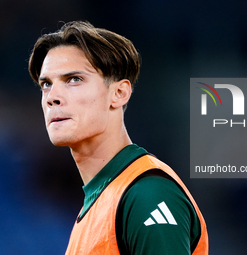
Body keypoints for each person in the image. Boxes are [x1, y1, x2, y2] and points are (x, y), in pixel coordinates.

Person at [28, 21, 208, 255]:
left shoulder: (146, 194)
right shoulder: (101, 200)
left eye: (74, 79)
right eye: (46, 84)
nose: (52, 97)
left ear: (119, 93)